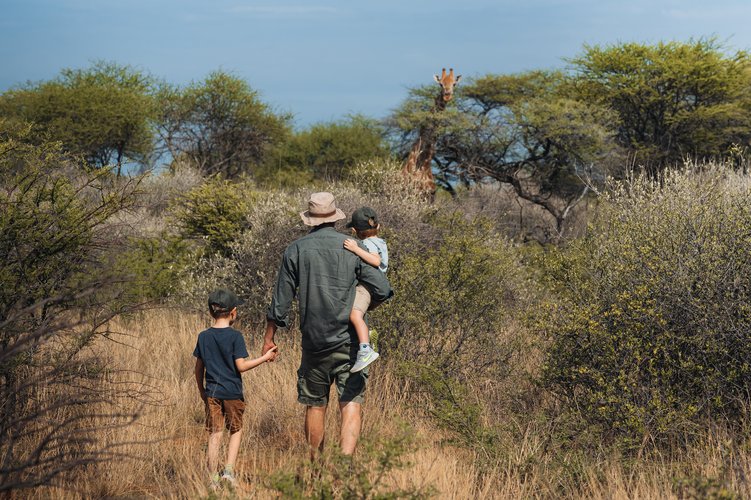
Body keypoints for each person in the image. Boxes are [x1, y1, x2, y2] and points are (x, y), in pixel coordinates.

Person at [264, 192, 393, 460]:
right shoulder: (353, 246)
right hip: (351, 343)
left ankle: (316, 471)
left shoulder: (296, 250)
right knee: (350, 405)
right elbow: (382, 287)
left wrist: (269, 337)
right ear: (335, 218)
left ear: (310, 220)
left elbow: (280, 301)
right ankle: (345, 473)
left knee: (315, 405)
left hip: (314, 341)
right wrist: (360, 308)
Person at [193, 288, 277, 489]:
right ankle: (228, 473)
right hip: (232, 393)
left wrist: (201, 391)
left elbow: (198, 369)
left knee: (215, 433)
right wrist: (265, 358)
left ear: (211, 312)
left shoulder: (203, 337)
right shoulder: (235, 336)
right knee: (236, 430)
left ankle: (212, 479)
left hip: (211, 392)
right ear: (233, 312)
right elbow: (241, 366)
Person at [343, 207, 388, 372]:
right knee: (359, 316)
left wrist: (356, 249)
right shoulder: (380, 241)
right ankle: (369, 337)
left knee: (354, 314)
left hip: (368, 286)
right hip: (373, 287)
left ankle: (365, 350)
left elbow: (375, 261)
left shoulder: (368, 244)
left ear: (354, 230)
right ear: (378, 226)